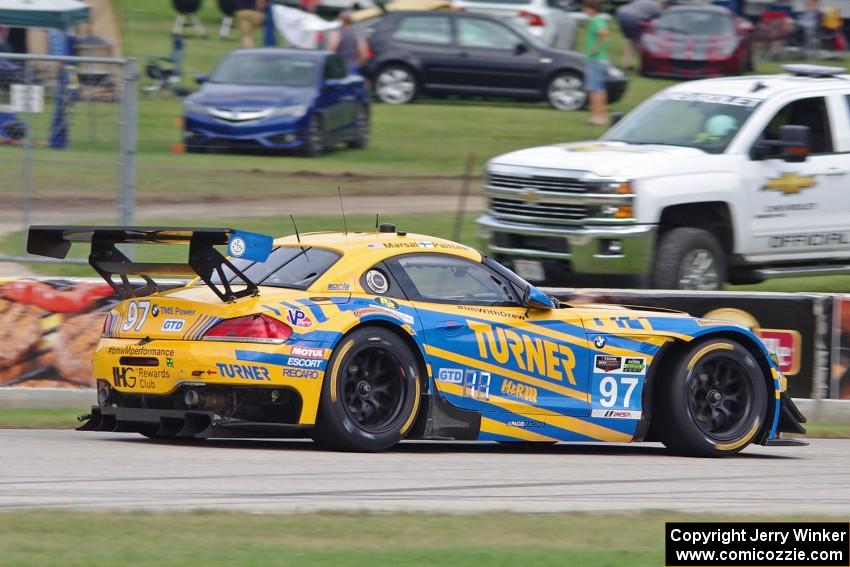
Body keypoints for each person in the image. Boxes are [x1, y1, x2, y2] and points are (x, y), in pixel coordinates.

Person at [582, 0, 609, 126]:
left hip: (596, 59)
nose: (584, 10)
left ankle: (598, 117)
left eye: (585, 8)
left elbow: (603, 34)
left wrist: (595, 50)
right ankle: (599, 116)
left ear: (591, 8)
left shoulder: (595, 21)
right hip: (599, 59)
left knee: (594, 89)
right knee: (599, 89)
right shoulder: (598, 20)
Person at [614, 0, 662, 70]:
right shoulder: (656, 7)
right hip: (632, 18)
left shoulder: (643, 1)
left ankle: (627, 63)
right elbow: (662, 19)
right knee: (638, 42)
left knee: (631, 41)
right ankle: (642, 65)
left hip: (620, 13)